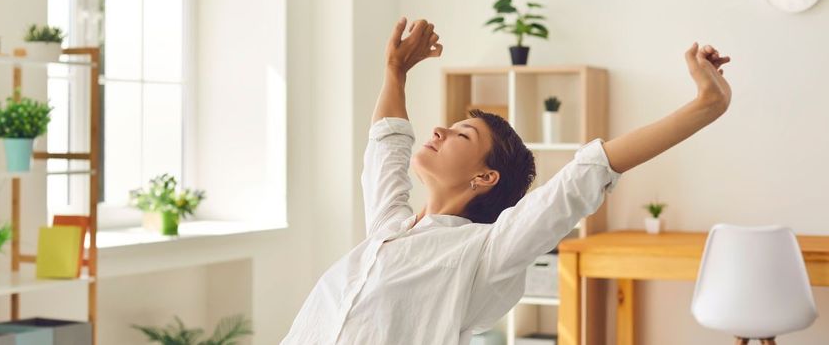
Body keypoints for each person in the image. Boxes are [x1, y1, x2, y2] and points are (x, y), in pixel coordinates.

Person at [281, 18, 732, 345]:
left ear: (484, 176)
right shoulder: (389, 229)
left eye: (462, 135)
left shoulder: (485, 251)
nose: (438, 131)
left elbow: (586, 174)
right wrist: (395, 72)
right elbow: (387, 144)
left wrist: (706, 106)